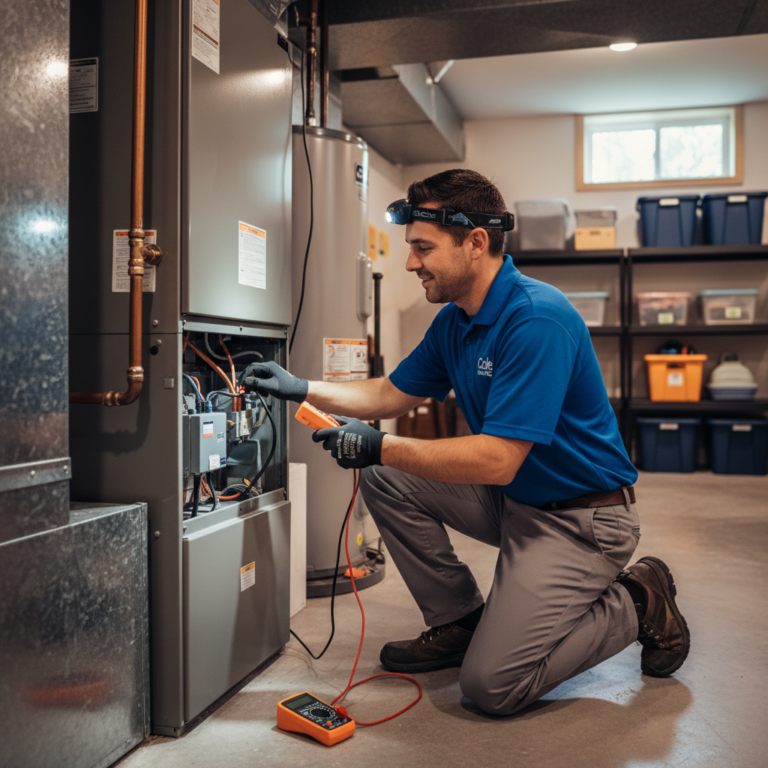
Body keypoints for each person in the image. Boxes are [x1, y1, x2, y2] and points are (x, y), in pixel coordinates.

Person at [244, 169, 690, 716]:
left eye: (423, 248)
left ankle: (639, 598)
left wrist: (379, 446)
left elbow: (498, 460)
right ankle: (459, 620)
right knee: (387, 477)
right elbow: (389, 392)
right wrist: (300, 387)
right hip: (518, 503)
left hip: (582, 521)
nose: (410, 264)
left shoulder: (535, 319)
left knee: (492, 687)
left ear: (475, 242)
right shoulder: (457, 322)